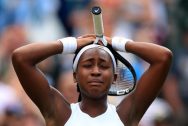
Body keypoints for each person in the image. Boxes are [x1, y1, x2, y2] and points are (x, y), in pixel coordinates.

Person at [12, 34, 172, 126]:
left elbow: (163, 58)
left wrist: (116, 42)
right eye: (88, 65)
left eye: (103, 66)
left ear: (115, 77)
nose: (96, 71)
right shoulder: (59, 113)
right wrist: (72, 43)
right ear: (75, 75)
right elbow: (20, 58)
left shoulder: (126, 115)